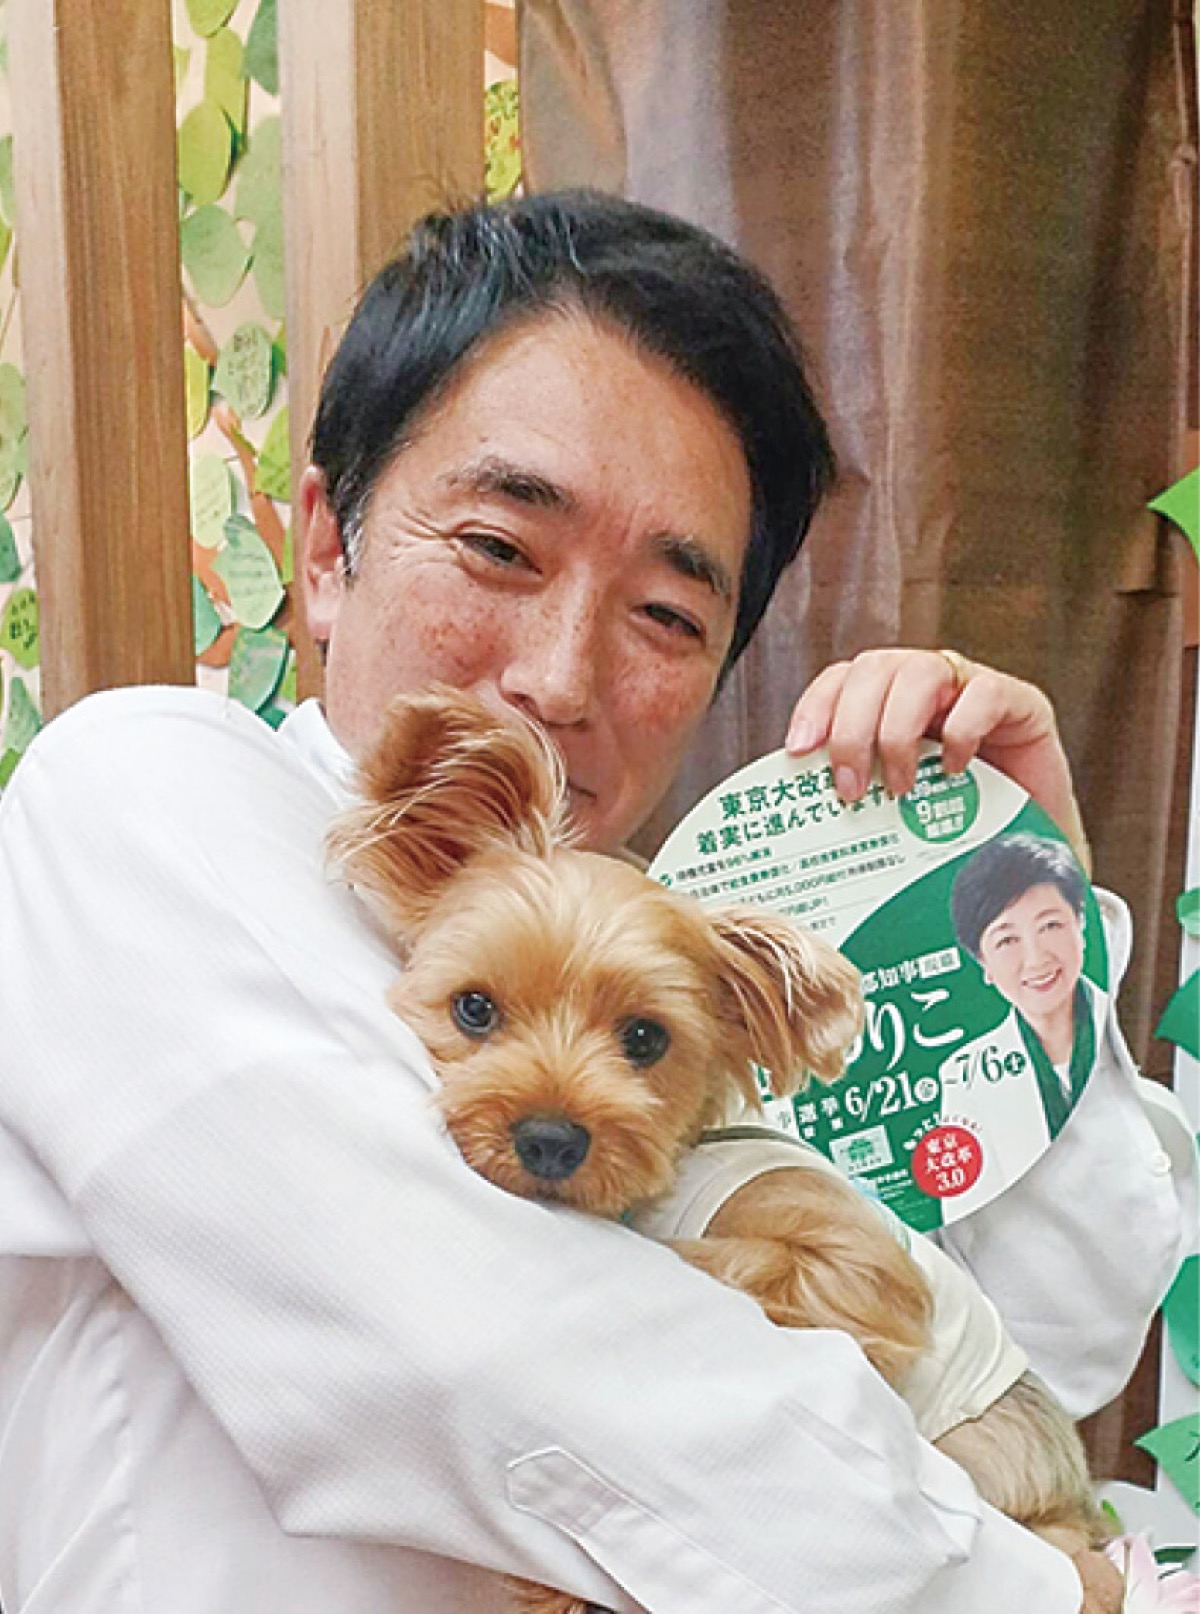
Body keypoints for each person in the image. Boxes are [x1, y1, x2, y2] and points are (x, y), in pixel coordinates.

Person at [0, 192, 1188, 1614]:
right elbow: (483, 1362)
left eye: (668, 616)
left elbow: (1045, 1347)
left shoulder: (688, 968)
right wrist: (1054, 1596)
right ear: (326, 549)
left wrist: (1024, 904)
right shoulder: (145, 795)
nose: (561, 678)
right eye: (500, 547)